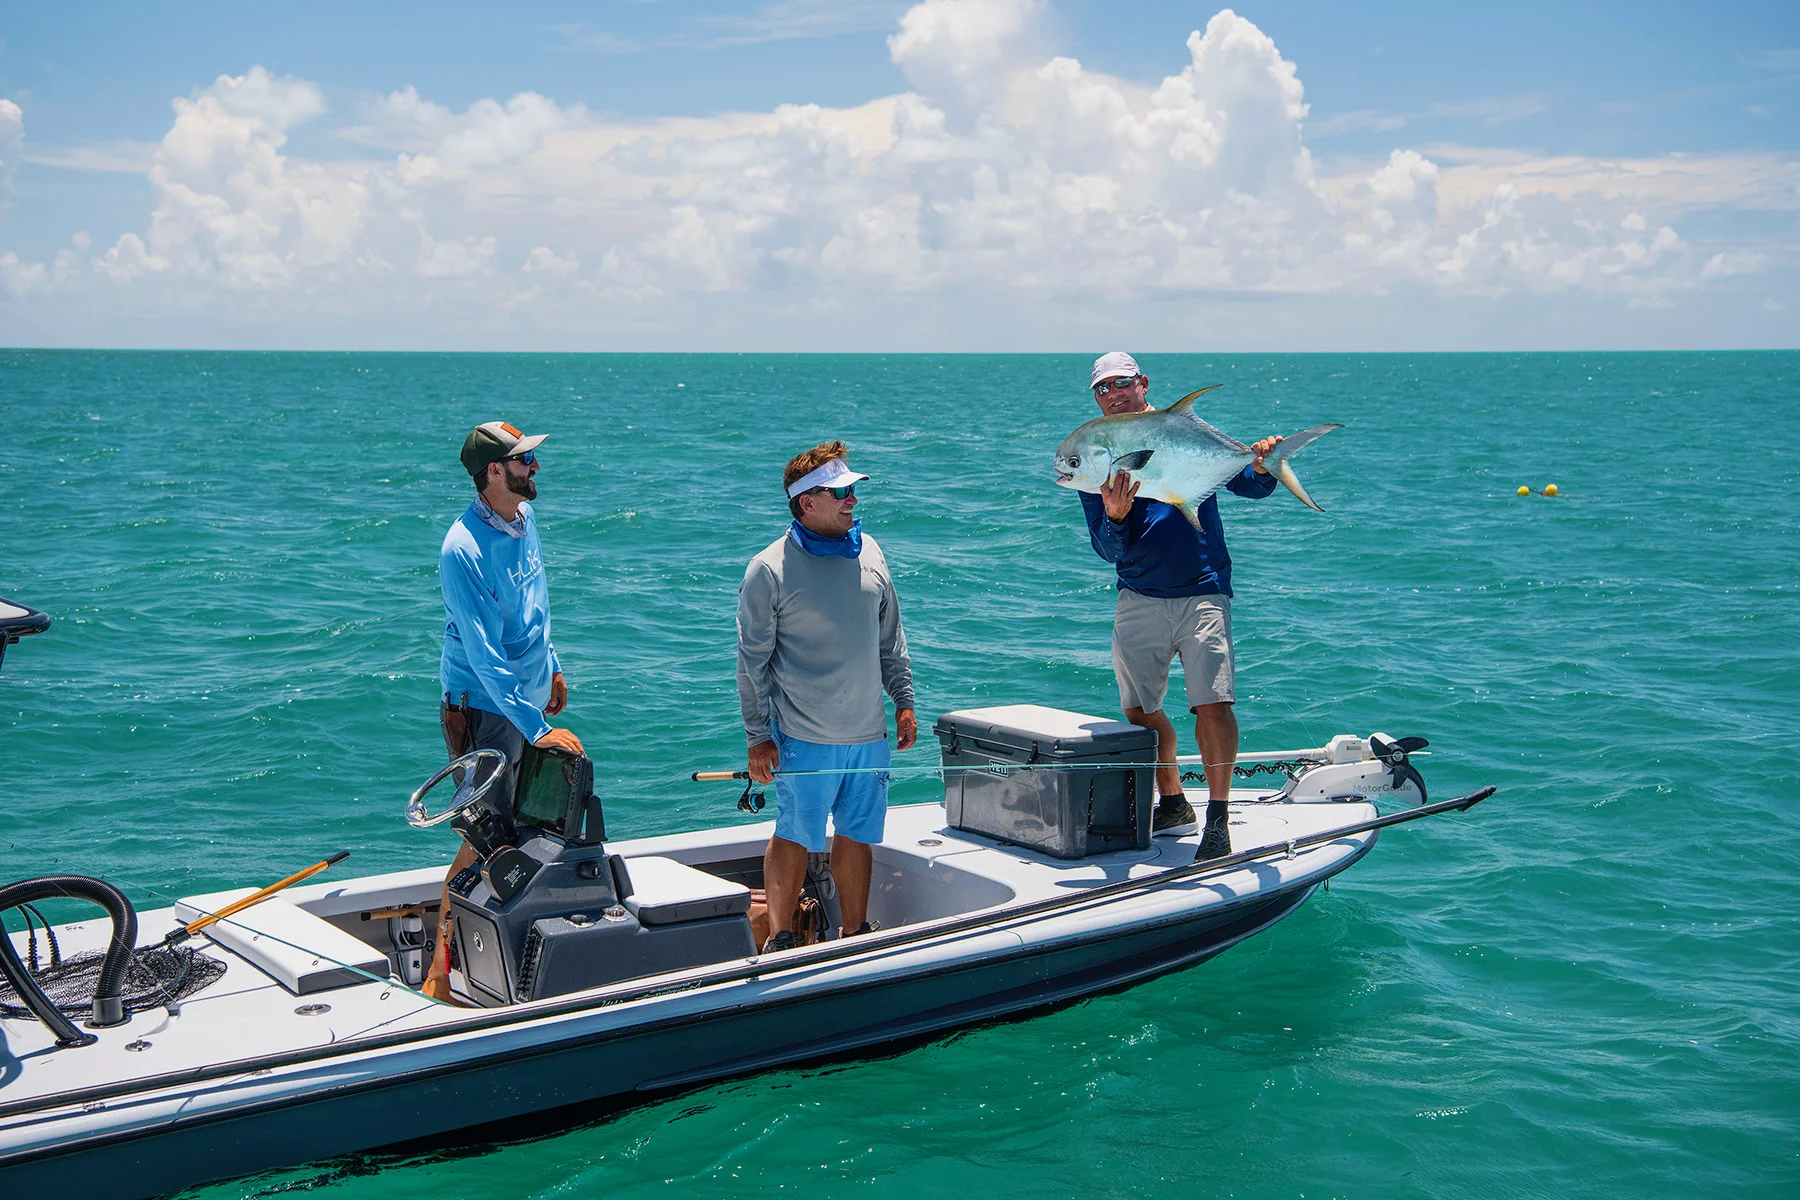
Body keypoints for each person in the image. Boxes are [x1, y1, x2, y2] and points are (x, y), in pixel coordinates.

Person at [1077, 352, 1283, 859]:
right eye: (1103, 389)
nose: (1114, 394)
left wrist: (1264, 464)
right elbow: (1108, 549)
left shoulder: (1178, 431)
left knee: (1213, 703)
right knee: (1138, 712)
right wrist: (1116, 516)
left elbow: (1249, 485)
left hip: (1202, 590)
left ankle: (1217, 818)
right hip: (1138, 595)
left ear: (1143, 384)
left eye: (1122, 384)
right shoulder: (1097, 453)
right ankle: (1173, 800)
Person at [424, 420, 584, 1001]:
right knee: (486, 838)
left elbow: (533, 607)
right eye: (524, 461)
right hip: (486, 708)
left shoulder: (524, 518)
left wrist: (553, 668)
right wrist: (539, 728)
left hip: (526, 698)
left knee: (527, 829)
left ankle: (505, 953)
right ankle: (440, 966)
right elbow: (485, 656)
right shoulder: (461, 549)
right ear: (495, 471)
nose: (535, 469)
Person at [737, 442, 917, 953]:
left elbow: (892, 638)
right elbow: (751, 663)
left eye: (853, 490)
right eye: (840, 492)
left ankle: (855, 931)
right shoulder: (768, 569)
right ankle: (781, 936)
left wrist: (904, 700)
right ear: (805, 502)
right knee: (795, 833)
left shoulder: (873, 551)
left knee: (858, 834)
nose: (852, 500)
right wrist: (757, 738)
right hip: (803, 738)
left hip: (869, 735)